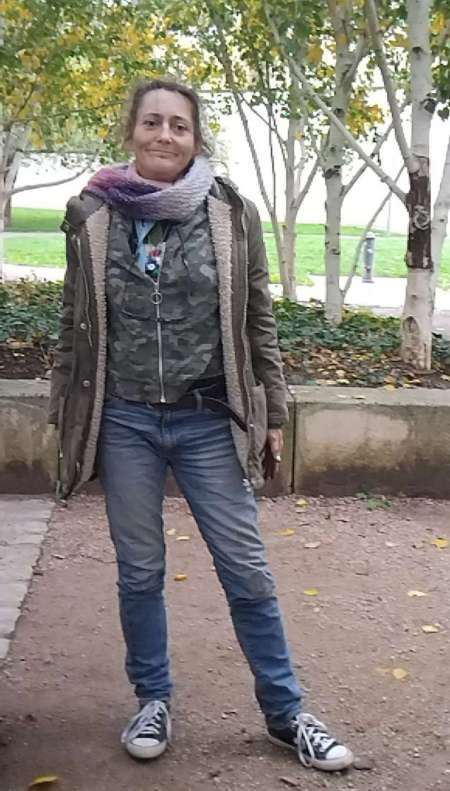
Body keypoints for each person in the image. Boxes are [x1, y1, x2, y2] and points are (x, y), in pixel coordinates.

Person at [49, 78, 353, 773]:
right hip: (125, 419)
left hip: (209, 418)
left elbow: (258, 318)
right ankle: (152, 698)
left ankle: (286, 713)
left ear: (195, 138)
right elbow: (75, 321)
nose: (165, 135)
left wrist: (275, 410)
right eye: (152, 122)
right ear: (132, 131)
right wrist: (65, 409)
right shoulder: (91, 212)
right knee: (140, 570)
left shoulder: (230, 211)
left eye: (179, 125)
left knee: (246, 569)